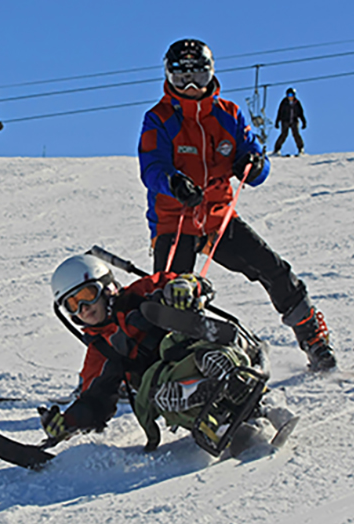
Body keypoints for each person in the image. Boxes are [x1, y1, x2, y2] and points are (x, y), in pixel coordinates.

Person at [137, 38, 336, 372]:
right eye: (181, 77)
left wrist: (255, 165)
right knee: (169, 299)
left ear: (211, 75)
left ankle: (313, 339)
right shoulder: (158, 118)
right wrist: (173, 183)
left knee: (273, 269)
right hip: (175, 221)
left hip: (218, 219)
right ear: (168, 77)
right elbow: (151, 166)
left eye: (198, 77)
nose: (190, 86)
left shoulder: (228, 114)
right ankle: (146, 369)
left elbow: (256, 158)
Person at [41, 254, 294, 454]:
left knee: (204, 355)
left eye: (86, 296)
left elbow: (190, 281)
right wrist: (69, 422)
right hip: (168, 379)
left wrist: (183, 288)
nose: (83, 309)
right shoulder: (101, 350)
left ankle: (263, 403)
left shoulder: (140, 293)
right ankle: (218, 419)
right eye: (72, 305)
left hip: (196, 349)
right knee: (157, 396)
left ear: (106, 286)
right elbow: (94, 400)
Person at [272, 87, 307, 156]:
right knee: (284, 134)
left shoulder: (297, 103)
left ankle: (301, 148)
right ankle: (277, 149)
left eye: (292, 95)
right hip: (285, 120)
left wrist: (304, 122)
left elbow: (301, 113)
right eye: (289, 95)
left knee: (296, 134)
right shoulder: (284, 102)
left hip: (294, 120)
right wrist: (277, 122)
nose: (290, 97)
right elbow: (280, 112)